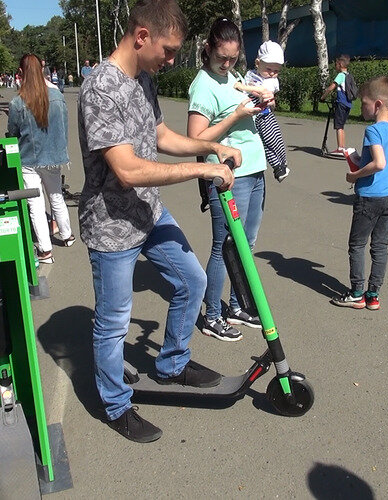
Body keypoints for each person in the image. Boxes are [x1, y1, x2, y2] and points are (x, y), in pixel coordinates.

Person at [78, 0, 239, 443]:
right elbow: (127, 170)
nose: (171, 60)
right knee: (113, 322)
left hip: (149, 213)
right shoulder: (101, 89)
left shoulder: (143, 79)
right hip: (112, 226)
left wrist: (212, 149)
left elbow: (161, 136)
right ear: (142, 35)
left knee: (192, 280)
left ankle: (172, 363)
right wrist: (204, 169)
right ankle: (115, 405)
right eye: (168, 51)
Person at [187, 18, 271, 342]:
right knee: (224, 247)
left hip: (253, 170)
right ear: (207, 49)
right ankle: (212, 314)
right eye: (221, 56)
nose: (226, 63)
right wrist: (236, 115)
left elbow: (240, 108)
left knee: (246, 246)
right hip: (227, 176)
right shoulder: (203, 85)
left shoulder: (231, 77)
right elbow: (195, 139)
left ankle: (236, 306)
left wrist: (258, 104)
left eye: (233, 58)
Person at [331, 76, 388, 311]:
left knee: (357, 244)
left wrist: (355, 175)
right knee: (380, 246)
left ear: (378, 105)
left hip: (370, 197)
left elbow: (380, 163)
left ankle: (356, 293)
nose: (361, 107)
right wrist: (360, 161)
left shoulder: (373, 130)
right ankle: (373, 295)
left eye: (364, 103)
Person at [8, 54, 76, 264]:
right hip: (53, 156)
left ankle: (45, 250)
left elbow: (12, 132)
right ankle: (67, 235)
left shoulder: (17, 102)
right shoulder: (56, 96)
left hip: (28, 158)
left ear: (21, 72)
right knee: (56, 196)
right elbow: (64, 126)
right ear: (42, 69)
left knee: (35, 204)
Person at [233, 40, 289, 182]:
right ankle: (278, 167)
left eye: (276, 71)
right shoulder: (250, 75)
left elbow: (262, 92)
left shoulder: (272, 81)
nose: (272, 73)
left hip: (266, 115)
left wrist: (243, 87)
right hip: (257, 116)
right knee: (267, 141)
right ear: (258, 63)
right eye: (269, 69)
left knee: (276, 139)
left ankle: (283, 163)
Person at [319, 54, 352, 155]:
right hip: (348, 104)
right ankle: (342, 147)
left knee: (338, 126)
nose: (335, 66)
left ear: (341, 64)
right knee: (341, 126)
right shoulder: (349, 75)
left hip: (341, 103)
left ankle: (340, 149)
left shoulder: (341, 75)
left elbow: (331, 88)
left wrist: (323, 97)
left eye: (336, 64)